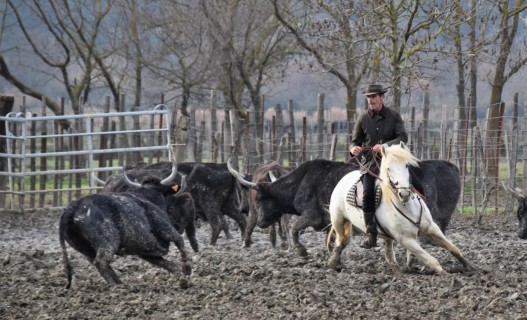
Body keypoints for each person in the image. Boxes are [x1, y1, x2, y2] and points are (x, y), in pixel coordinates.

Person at [349, 84, 408, 249]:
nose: (370, 100)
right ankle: (371, 233)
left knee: (414, 183)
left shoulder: (394, 116)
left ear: (382, 97)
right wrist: (353, 149)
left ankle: (423, 219)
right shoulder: (362, 118)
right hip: (370, 164)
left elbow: (403, 137)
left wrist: (385, 146)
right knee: (367, 194)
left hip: (392, 161)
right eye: (368, 97)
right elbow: (355, 141)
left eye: (374, 96)